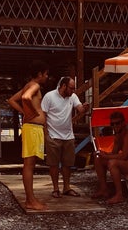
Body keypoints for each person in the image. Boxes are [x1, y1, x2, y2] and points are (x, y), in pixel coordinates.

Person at [8, 60, 49, 211]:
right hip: (32, 127)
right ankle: (30, 200)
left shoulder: (29, 85)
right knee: (29, 165)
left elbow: (11, 100)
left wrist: (24, 112)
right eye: (45, 74)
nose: (46, 77)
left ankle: (31, 198)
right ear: (39, 74)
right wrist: (32, 112)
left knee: (29, 164)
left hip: (31, 127)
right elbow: (25, 97)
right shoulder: (35, 86)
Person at [42, 76, 90, 198]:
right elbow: (43, 115)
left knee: (67, 164)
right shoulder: (49, 96)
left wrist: (84, 108)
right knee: (53, 164)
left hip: (68, 135)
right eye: (71, 88)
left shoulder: (72, 97)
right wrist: (45, 134)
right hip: (53, 135)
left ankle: (66, 187)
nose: (73, 91)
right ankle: (55, 188)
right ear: (63, 86)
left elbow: (80, 109)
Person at [92, 110, 128, 204]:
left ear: (123, 123)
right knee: (98, 158)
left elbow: (123, 156)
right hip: (127, 163)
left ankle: (119, 195)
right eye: (112, 124)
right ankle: (104, 189)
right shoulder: (118, 136)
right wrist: (103, 154)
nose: (115, 126)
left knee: (113, 163)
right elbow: (114, 153)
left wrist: (107, 156)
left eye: (117, 123)